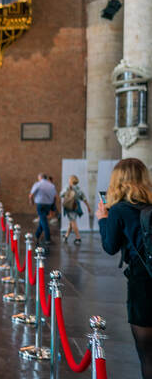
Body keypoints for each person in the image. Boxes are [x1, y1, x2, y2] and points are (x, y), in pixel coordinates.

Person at [96, 158, 152, 378]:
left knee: (147, 353)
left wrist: (103, 219)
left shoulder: (119, 210)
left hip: (142, 281)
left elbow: (110, 247)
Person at [61, 175, 90, 245]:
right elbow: (84, 199)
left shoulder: (68, 187)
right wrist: (88, 207)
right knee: (71, 222)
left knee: (73, 222)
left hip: (69, 207)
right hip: (76, 207)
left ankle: (78, 238)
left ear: (70, 181)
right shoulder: (79, 189)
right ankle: (66, 236)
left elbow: (61, 195)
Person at [30, 173, 58, 245]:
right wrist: (53, 205)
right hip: (48, 204)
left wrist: (31, 201)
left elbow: (31, 195)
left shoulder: (38, 184)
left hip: (40, 204)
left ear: (40, 177)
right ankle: (37, 235)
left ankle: (47, 238)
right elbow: (55, 196)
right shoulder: (51, 185)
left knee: (43, 220)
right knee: (43, 219)